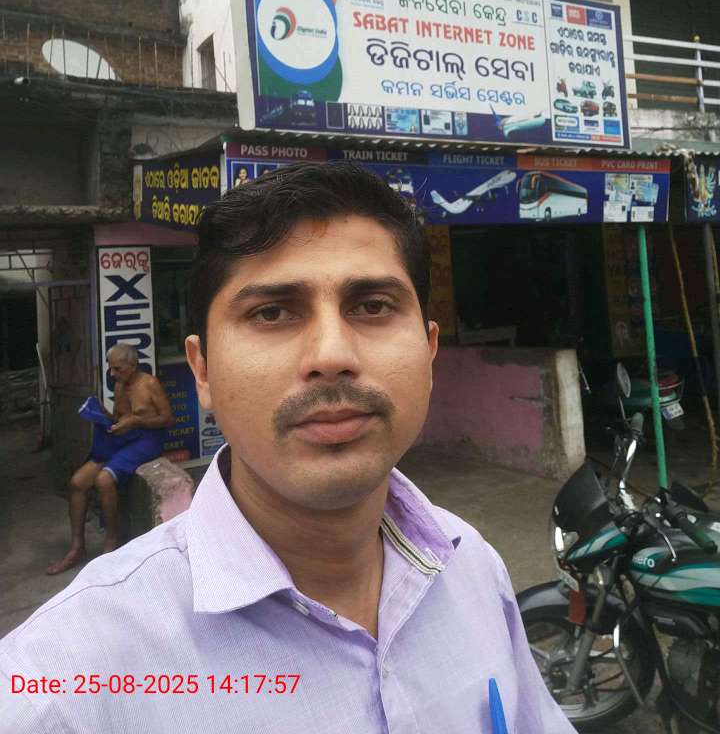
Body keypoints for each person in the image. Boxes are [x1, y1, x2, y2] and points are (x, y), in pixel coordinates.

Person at [0, 162, 574, 732]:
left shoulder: (472, 567)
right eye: (271, 312)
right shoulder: (65, 686)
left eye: (373, 305)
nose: (332, 354)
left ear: (428, 353)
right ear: (203, 371)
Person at [45, 343, 174, 575]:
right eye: (110, 368)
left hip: (147, 440)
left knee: (104, 480)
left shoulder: (150, 384)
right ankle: (77, 547)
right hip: (123, 439)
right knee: (77, 482)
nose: (112, 374)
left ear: (132, 366)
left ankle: (112, 543)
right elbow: (118, 417)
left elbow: (167, 419)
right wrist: (102, 415)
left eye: (117, 368)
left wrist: (136, 421)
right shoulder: (119, 385)